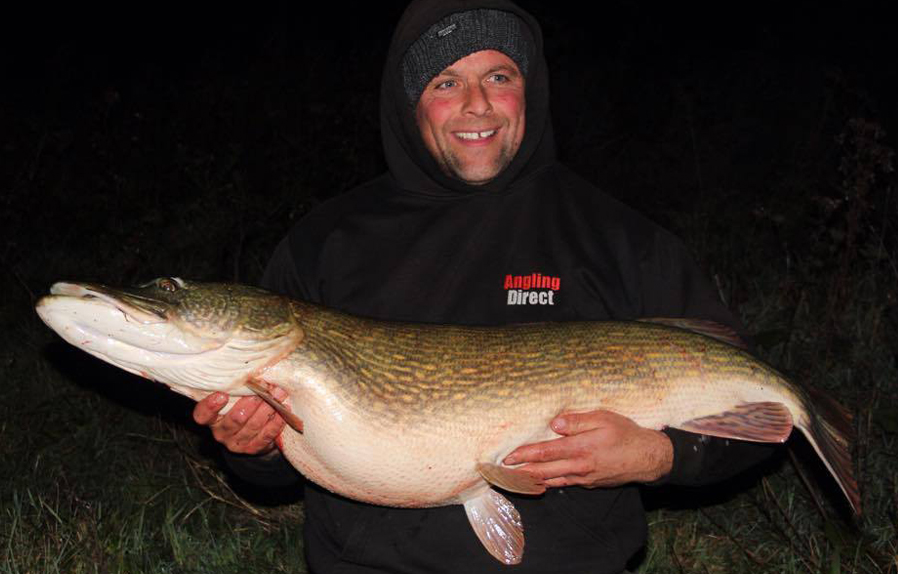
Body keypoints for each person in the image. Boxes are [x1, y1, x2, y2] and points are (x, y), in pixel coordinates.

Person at [193, 1, 774, 572]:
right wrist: (254, 447)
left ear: (530, 89)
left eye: (499, 76)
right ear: (410, 103)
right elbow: (272, 468)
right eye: (446, 82)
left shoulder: (619, 240)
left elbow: (764, 412)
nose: (476, 104)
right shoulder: (325, 243)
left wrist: (658, 455)